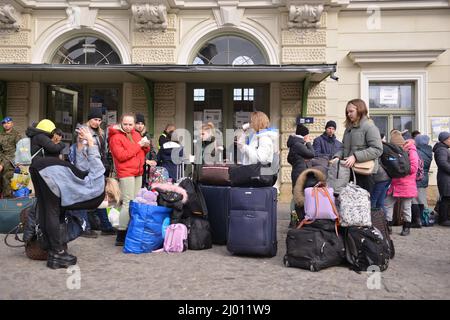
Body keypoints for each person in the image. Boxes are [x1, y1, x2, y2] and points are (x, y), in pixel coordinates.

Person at [29, 127, 106, 269]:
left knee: (48, 210)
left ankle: (53, 252)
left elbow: (82, 165)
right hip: (49, 171)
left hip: (40, 167)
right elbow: (96, 162)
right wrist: (90, 141)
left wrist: (81, 145)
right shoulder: (99, 183)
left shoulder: (86, 181)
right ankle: (57, 253)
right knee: (52, 211)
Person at [108, 114, 150, 246]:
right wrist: (139, 145)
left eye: (130, 124)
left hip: (138, 171)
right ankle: (121, 235)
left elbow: (142, 151)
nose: (128, 127)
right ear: (121, 123)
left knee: (134, 202)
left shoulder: (136, 134)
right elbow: (121, 156)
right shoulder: (115, 137)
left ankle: (129, 231)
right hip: (126, 172)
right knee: (127, 202)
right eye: (125, 124)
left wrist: (146, 145)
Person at [333, 99, 383, 193]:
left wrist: (355, 156)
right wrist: (337, 156)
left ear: (360, 110)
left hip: (364, 173)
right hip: (348, 172)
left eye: (351, 111)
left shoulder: (370, 127)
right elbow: (343, 147)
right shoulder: (348, 129)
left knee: (361, 206)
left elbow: (377, 149)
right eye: (347, 112)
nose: (348, 114)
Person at [384, 130, 419, 236]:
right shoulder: (394, 151)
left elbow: (414, 168)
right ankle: (388, 226)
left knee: (406, 207)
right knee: (388, 204)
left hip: (406, 184)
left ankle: (406, 227)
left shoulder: (411, 151)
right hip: (395, 183)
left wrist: (399, 169)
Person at [411, 134, 433, 227]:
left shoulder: (419, 151)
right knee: (422, 199)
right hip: (424, 177)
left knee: (416, 200)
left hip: (418, 178)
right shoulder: (428, 150)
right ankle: (424, 219)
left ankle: (421, 219)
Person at [287, 123, 315, 188]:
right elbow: (312, 154)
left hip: (297, 172)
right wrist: (308, 142)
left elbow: (289, 159)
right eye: (307, 135)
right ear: (304, 135)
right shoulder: (298, 145)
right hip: (300, 173)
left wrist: (299, 160)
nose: (308, 137)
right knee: (299, 194)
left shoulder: (295, 144)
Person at [134, 113, 158, 188]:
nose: (140, 126)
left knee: (142, 185)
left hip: (144, 166)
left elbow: (151, 149)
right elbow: (134, 151)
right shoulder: (132, 135)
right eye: (137, 123)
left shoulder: (146, 135)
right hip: (134, 166)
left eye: (142, 123)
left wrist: (154, 160)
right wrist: (146, 160)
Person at [0, 117, 22, 198]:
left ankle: (8, 198)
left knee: (6, 178)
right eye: (4, 123)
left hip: (12, 159)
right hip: (2, 157)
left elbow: (20, 149)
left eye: (8, 123)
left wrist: (19, 161)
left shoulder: (16, 135)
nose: (6, 125)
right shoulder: (1, 135)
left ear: (12, 124)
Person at [371, 133, 391, 216]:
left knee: (373, 200)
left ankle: (372, 221)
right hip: (387, 177)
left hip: (380, 177)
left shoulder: (377, 147)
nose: (385, 140)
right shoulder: (385, 147)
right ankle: (385, 223)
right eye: (384, 139)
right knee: (380, 201)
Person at [432, 131, 450, 226]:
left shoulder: (443, 149)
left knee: (446, 198)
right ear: (444, 140)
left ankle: (445, 218)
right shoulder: (442, 150)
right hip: (445, 178)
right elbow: (442, 163)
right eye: (449, 139)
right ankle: (443, 219)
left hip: (445, 178)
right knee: (446, 199)